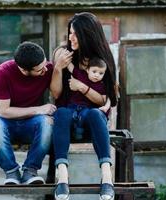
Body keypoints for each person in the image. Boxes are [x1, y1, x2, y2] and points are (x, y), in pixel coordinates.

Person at [50, 12, 118, 200]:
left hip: (92, 119)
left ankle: (107, 178)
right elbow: (55, 94)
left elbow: (106, 100)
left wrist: (82, 87)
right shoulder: (64, 53)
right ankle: (62, 178)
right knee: (61, 113)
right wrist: (57, 68)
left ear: (87, 35)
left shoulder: (103, 60)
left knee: (96, 114)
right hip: (67, 118)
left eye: (75, 34)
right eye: (69, 32)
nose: (70, 37)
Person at [0, 41, 57, 185]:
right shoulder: (2, 73)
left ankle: (30, 172)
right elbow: (4, 111)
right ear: (24, 70)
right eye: (39, 70)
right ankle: (12, 173)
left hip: (30, 123)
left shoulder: (47, 68)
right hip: (4, 121)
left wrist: (59, 68)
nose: (45, 70)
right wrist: (39, 109)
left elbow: (57, 91)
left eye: (44, 64)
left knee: (47, 122)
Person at [64, 57, 111, 140]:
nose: (97, 75)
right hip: (73, 105)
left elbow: (105, 100)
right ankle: (70, 131)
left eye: (101, 73)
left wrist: (106, 107)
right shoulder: (81, 75)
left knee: (84, 115)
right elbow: (70, 67)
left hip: (87, 107)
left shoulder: (101, 86)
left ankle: (79, 132)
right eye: (94, 71)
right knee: (67, 115)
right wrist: (65, 54)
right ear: (87, 70)